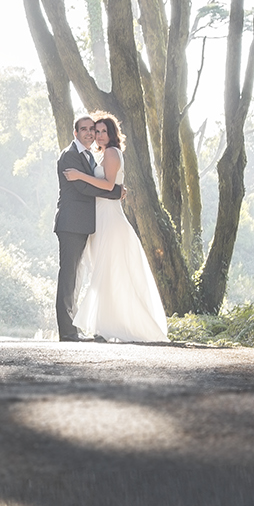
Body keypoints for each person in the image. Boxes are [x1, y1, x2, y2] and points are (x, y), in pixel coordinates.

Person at [62, 113, 168, 345]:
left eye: (102, 131)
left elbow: (109, 185)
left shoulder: (110, 152)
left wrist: (80, 175)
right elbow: (111, 186)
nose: (97, 135)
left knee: (107, 271)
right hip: (99, 218)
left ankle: (107, 326)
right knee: (105, 271)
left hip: (109, 219)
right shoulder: (99, 155)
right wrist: (117, 189)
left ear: (111, 134)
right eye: (95, 131)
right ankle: (105, 325)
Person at [53, 115, 124, 341]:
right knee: (69, 276)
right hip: (71, 224)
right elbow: (83, 187)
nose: (89, 133)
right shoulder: (70, 156)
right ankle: (67, 331)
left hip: (85, 224)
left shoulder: (91, 156)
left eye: (92, 129)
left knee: (78, 276)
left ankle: (75, 326)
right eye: (84, 129)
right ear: (75, 133)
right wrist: (116, 192)